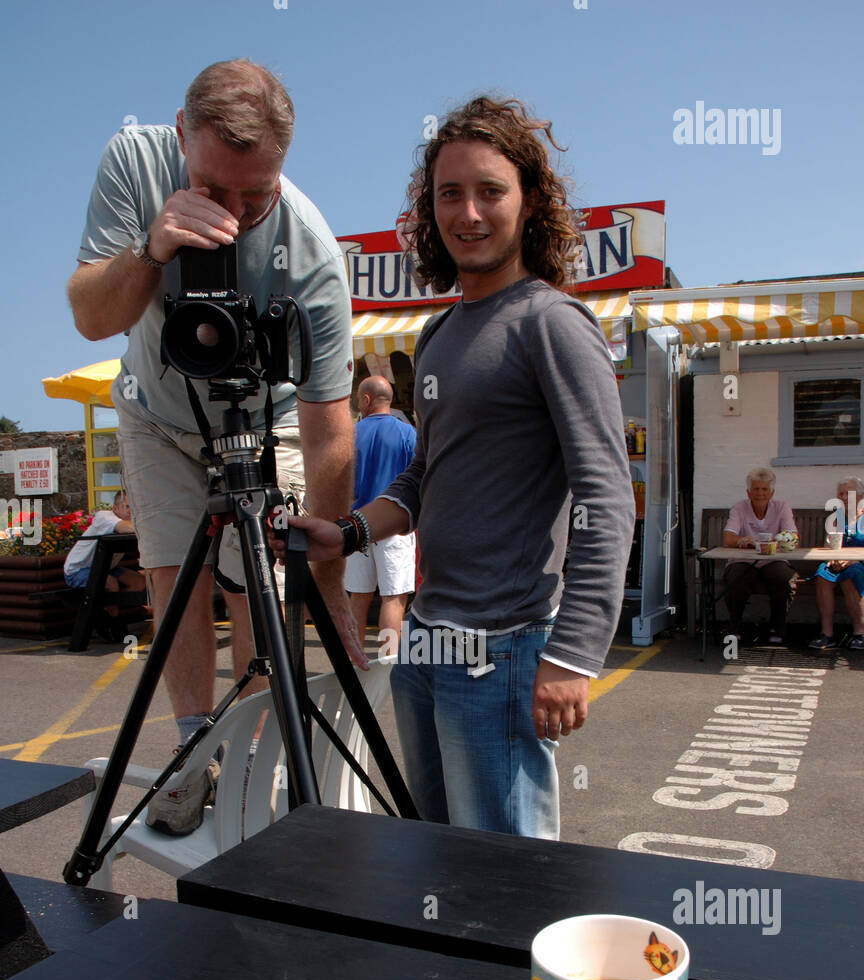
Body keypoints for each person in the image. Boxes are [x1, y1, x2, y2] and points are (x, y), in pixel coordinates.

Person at [284, 95, 634, 840]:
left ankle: (513, 963)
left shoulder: (552, 323)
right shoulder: (440, 334)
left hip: (505, 647)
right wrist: (344, 534)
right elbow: (423, 478)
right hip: (425, 638)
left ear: (530, 200)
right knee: (436, 850)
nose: (468, 212)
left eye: (490, 191)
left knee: (505, 875)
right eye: (450, 194)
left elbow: (606, 499)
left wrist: (574, 654)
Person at [67, 60, 360, 835]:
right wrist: (155, 245)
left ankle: (259, 758)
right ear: (178, 137)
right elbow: (93, 318)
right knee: (174, 577)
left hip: (269, 419)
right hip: (158, 413)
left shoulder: (315, 256)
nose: (231, 216)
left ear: (284, 167)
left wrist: (328, 585)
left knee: (257, 581)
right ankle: (197, 751)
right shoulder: (134, 160)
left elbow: (332, 426)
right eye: (212, 189)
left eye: (254, 195)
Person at [344, 376, 416, 649]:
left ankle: (354, 664)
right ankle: (388, 664)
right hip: (395, 522)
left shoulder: (350, 434)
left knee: (358, 597)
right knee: (393, 598)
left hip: (356, 523)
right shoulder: (407, 433)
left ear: (366, 399)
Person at [722, 468, 797, 644]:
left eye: (764, 489)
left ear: (772, 492)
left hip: (774, 558)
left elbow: (793, 537)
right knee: (736, 578)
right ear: (748, 492)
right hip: (743, 559)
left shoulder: (782, 507)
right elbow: (728, 538)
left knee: (783, 579)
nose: (760, 493)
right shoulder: (739, 507)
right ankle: (735, 626)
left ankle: (777, 628)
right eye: (756, 489)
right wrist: (741, 540)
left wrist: (773, 542)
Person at [63, 491, 146, 615]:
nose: (131, 511)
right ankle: (113, 623)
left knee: (140, 582)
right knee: (110, 583)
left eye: (134, 507)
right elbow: (127, 528)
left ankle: (105, 613)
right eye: (127, 506)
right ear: (115, 508)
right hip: (78, 570)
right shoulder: (104, 517)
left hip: (105, 566)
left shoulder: (132, 522)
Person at [809, 476, 864, 650]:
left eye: (849, 493)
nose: (844, 497)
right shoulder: (837, 517)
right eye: (841, 494)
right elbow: (829, 544)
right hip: (840, 563)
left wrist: (853, 559)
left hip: (859, 563)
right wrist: (832, 559)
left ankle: (860, 633)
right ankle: (827, 634)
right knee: (823, 573)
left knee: (850, 576)